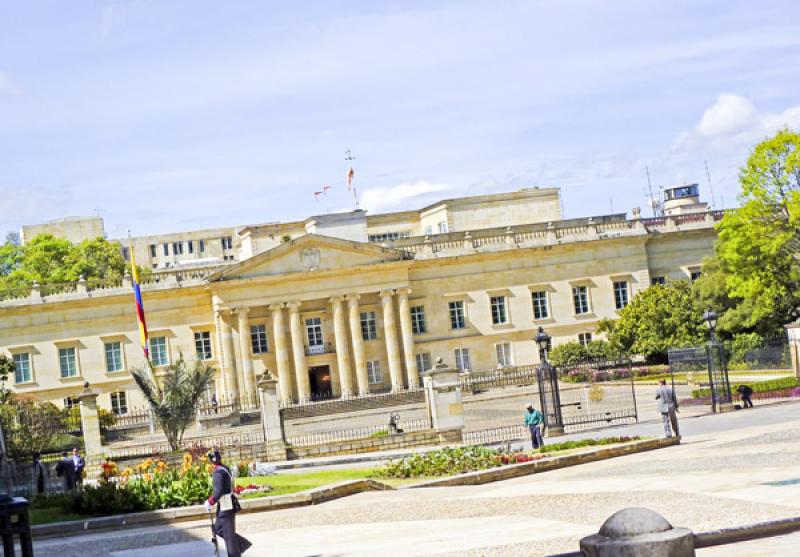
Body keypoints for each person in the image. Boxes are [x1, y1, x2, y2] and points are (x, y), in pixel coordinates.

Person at [205, 450, 251, 556]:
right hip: (227, 503)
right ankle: (242, 544)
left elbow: (218, 491)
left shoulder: (218, 472)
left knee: (228, 536)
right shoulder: (224, 468)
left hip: (225, 505)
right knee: (218, 528)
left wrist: (210, 501)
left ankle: (236, 551)